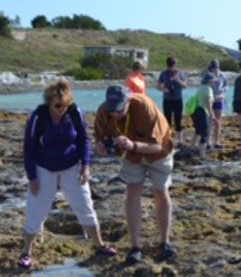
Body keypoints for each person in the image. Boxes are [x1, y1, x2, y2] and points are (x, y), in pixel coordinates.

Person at [19, 80, 117, 269]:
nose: (61, 109)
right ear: (49, 102)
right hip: (44, 167)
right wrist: (32, 176)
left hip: (71, 166)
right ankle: (26, 252)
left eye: (64, 105)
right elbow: (29, 147)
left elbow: (83, 140)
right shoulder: (38, 116)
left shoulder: (75, 112)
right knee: (36, 210)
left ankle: (99, 245)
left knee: (85, 205)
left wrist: (85, 166)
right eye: (57, 105)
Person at [93, 85, 176, 264]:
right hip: (131, 156)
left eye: (119, 110)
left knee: (161, 191)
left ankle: (165, 242)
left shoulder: (145, 107)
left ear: (128, 101)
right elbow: (100, 139)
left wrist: (133, 145)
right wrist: (100, 146)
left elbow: (157, 146)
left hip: (158, 154)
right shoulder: (104, 111)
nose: (115, 114)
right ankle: (135, 246)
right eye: (112, 110)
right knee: (132, 192)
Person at [157, 57, 187, 146]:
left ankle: (180, 141)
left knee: (178, 120)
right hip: (167, 100)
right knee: (167, 120)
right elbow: (158, 86)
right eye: (170, 65)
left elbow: (185, 86)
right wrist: (164, 89)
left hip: (178, 100)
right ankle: (167, 139)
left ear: (175, 64)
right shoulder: (163, 73)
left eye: (173, 65)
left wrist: (178, 81)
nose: (171, 67)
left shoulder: (180, 73)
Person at [189, 74, 216, 160]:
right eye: (212, 81)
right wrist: (212, 114)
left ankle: (192, 147)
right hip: (203, 112)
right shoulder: (208, 89)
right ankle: (202, 155)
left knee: (198, 131)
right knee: (204, 133)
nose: (214, 82)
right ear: (209, 81)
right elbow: (208, 101)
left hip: (196, 111)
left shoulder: (200, 88)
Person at [207, 59, 228, 149]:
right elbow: (203, 87)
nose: (216, 69)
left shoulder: (222, 75)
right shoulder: (207, 76)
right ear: (211, 68)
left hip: (219, 99)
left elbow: (226, 86)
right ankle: (208, 141)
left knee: (218, 121)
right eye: (214, 68)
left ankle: (217, 141)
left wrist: (222, 92)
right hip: (210, 100)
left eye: (217, 67)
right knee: (210, 120)